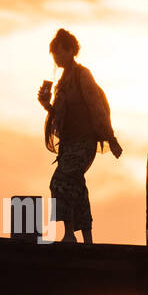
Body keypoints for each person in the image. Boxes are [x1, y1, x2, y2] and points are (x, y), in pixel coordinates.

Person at [36, 28, 122, 242]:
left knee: (60, 180)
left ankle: (69, 234)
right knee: (75, 184)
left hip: (84, 142)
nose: (56, 56)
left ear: (71, 51)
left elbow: (96, 106)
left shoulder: (82, 75)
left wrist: (110, 138)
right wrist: (47, 105)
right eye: (54, 53)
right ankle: (86, 236)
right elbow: (59, 114)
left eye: (60, 51)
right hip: (69, 143)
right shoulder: (63, 81)